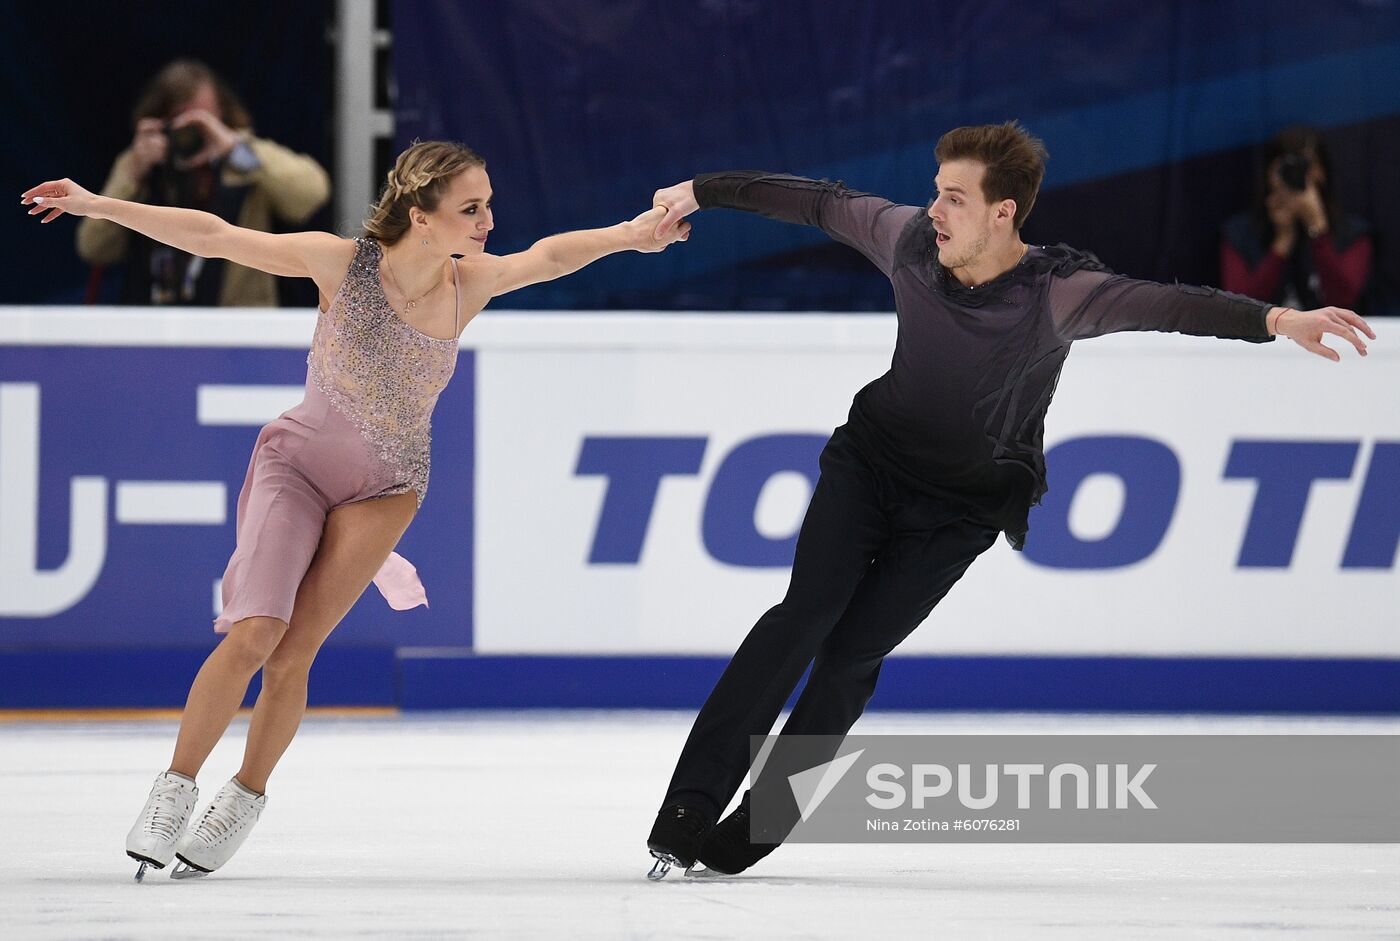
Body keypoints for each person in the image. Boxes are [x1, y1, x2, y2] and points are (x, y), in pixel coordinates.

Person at [641, 122, 1374, 879]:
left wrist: (1278, 319)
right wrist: (705, 189)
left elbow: (1169, 304)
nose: (934, 210)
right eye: (936, 193)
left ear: (1004, 213)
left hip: (960, 510)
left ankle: (760, 827)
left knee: (852, 654)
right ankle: (689, 808)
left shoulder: (1057, 294)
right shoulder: (906, 243)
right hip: (869, 466)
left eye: (954, 199)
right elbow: (816, 203)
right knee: (805, 615)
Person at [22, 140, 690, 880]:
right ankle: (173, 789)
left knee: (295, 651)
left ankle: (243, 798)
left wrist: (633, 235)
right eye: (471, 207)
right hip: (297, 466)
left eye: (489, 204)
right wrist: (97, 203)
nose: (488, 221)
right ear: (420, 215)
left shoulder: (471, 285)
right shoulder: (342, 264)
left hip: (389, 486)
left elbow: (553, 255)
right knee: (255, 633)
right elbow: (214, 236)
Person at [76, 59, 331, 306]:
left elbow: (312, 195)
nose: (194, 131)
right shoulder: (141, 165)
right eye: (182, 120)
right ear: (160, 121)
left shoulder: (245, 162)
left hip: (237, 325)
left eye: (203, 119)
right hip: (156, 326)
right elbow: (94, 248)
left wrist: (235, 147)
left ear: (222, 114)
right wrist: (132, 175)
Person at [1221, 125, 1373, 312]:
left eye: (1306, 166)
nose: (1298, 176)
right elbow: (1239, 309)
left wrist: (1318, 228)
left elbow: (1344, 304)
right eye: (1288, 168)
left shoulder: (1352, 234)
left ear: (1324, 171)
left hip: (1330, 337)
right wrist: (1282, 242)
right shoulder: (1241, 234)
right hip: (1266, 338)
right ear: (1270, 173)